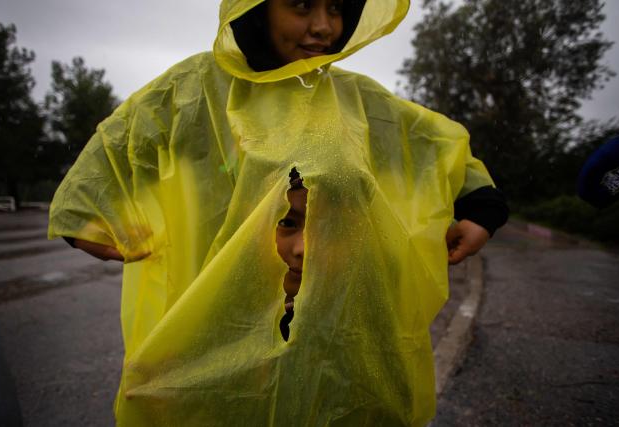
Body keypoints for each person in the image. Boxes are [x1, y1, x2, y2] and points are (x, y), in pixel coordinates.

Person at [49, 0, 507, 425]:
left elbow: (431, 144)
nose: (324, 26)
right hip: (216, 334)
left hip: (336, 333)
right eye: (303, 4)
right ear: (258, 8)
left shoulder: (359, 103)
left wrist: (479, 206)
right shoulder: (192, 91)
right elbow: (116, 149)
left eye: (336, 7)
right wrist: (86, 218)